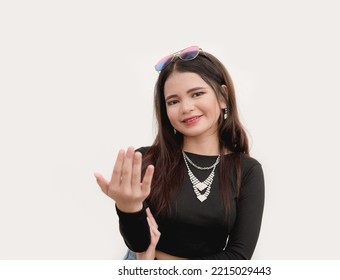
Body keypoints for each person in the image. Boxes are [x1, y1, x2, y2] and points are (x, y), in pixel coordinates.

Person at [94, 46, 265, 260]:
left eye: (197, 94)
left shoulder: (247, 170)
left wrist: (169, 265)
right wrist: (128, 208)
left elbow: (239, 258)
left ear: (222, 97)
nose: (186, 107)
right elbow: (140, 246)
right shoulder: (148, 162)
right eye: (173, 101)